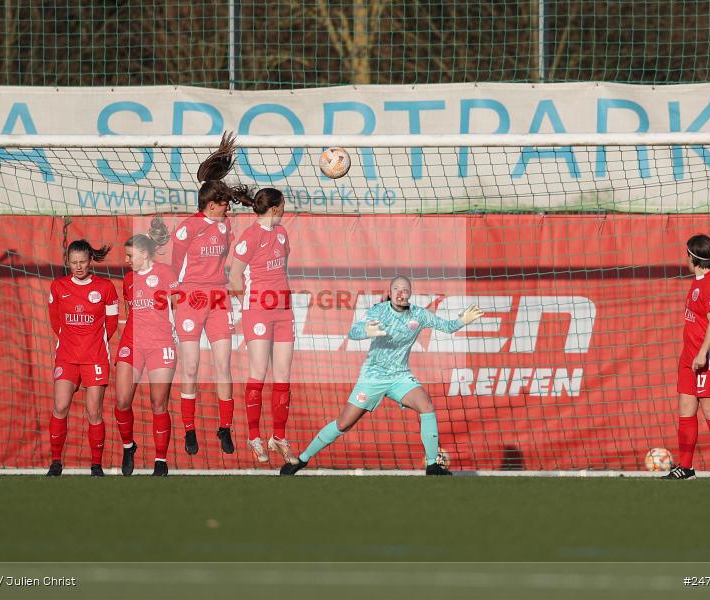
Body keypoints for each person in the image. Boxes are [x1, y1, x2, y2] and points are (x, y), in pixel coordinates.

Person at [281, 276, 484, 476]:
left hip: (400, 377)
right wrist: (366, 331)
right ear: (390, 292)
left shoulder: (419, 315)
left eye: (404, 290)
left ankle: (432, 466)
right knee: (343, 424)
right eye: (396, 289)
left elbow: (447, 327)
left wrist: (461, 321)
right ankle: (302, 459)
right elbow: (353, 332)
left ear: (410, 294)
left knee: (427, 406)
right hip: (372, 378)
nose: (400, 293)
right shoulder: (378, 311)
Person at [171, 133, 246, 456]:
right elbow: (174, 267)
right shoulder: (188, 228)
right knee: (190, 367)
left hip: (218, 299)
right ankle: (189, 430)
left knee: (223, 365)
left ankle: (224, 428)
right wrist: (175, 299)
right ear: (211, 205)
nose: (227, 208)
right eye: (224, 204)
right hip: (191, 299)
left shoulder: (225, 226)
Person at [229, 188, 297, 463]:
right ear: (275, 208)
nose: (285, 208)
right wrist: (251, 306)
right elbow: (234, 277)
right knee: (258, 373)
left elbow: (282, 270)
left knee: (283, 376)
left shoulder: (281, 233)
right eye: (283, 204)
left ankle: (278, 437)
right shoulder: (250, 236)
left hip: (283, 311)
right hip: (257, 312)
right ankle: (254, 436)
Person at [47, 240, 119, 477]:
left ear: (90, 261)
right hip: (67, 357)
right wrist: (71, 341)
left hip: (95, 357)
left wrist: (93, 342)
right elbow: (55, 321)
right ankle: (56, 462)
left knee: (94, 412)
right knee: (60, 406)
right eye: (74, 262)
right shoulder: (58, 287)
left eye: (82, 262)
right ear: (68, 262)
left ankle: (96, 465)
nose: (78, 267)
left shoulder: (106, 287)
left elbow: (111, 324)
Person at [664, 234, 710, 479]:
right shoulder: (698, 281)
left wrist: (702, 353)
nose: (685, 258)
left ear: (693, 258)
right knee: (685, 409)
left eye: (687, 254)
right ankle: (686, 467)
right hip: (689, 356)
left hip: (708, 358)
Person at [115, 219, 179, 477]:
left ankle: (160, 460)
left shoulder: (166, 273)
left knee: (158, 403)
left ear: (144, 254)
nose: (126, 260)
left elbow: (179, 306)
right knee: (122, 400)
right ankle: (128, 446)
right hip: (132, 343)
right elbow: (130, 312)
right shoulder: (128, 280)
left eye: (130, 255)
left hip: (161, 344)